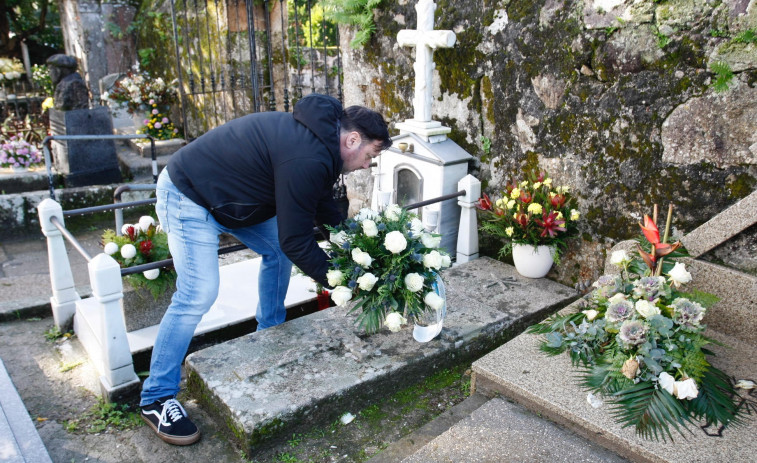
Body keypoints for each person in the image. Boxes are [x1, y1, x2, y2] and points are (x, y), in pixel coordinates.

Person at [139, 93, 391, 445]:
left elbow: (323, 208)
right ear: (352, 140)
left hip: (231, 199)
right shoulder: (309, 154)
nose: (367, 165)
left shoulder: (320, 144)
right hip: (189, 193)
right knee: (199, 292)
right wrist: (349, 283)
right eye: (370, 155)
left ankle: (267, 333)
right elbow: (297, 240)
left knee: (275, 251)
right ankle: (156, 397)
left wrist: (360, 253)